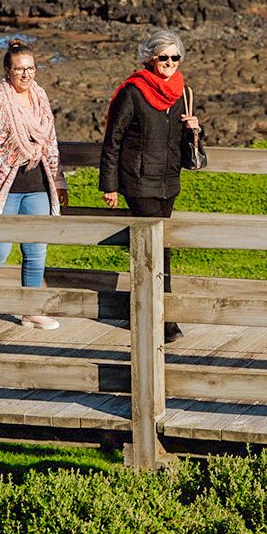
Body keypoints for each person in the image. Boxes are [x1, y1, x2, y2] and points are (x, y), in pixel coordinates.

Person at [100, 29, 200, 343]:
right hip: (139, 181)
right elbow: (113, 140)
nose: (170, 62)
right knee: (149, 250)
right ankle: (152, 317)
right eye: (163, 57)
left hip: (169, 180)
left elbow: (184, 141)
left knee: (164, 250)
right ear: (150, 58)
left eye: (175, 57)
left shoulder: (181, 90)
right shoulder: (133, 91)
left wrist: (196, 129)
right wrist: (110, 185)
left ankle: (162, 316)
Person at [0, 39, 67, 331]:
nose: (26, 74)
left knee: (36, 250)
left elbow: (51, 142)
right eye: (19, 69)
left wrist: (58, 181)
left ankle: (30, 310)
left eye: (30, 68)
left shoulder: (40, 97)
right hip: (4, 188)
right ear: (7, 71)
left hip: (37, 183)